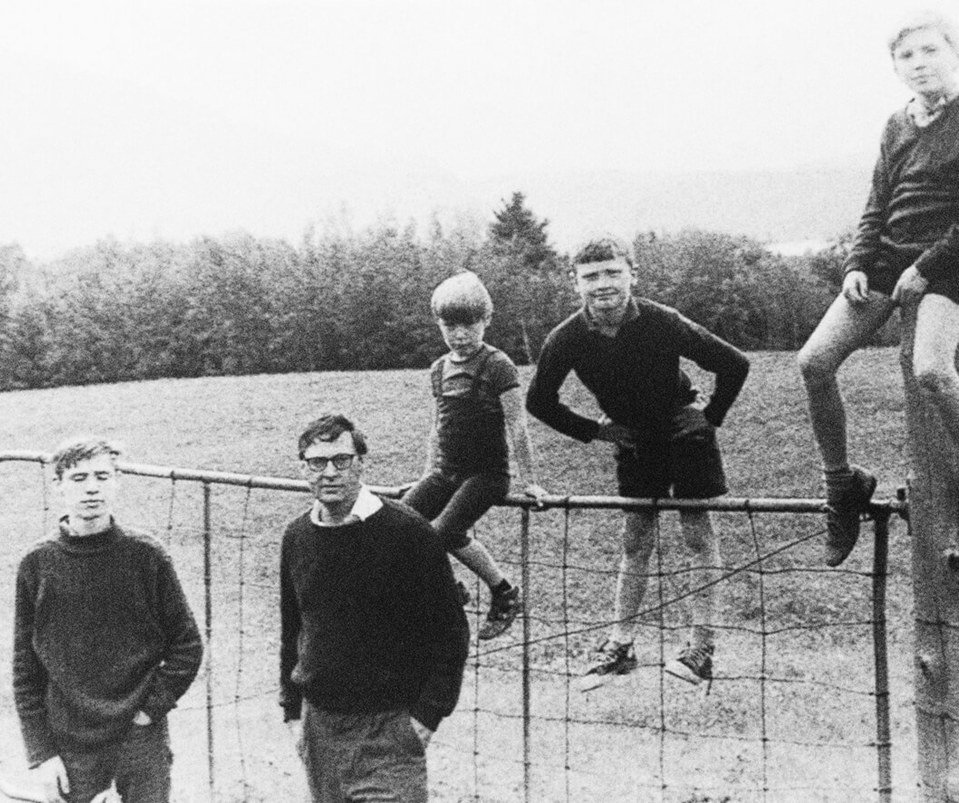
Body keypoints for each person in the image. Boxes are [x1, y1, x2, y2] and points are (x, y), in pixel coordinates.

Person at [796, 11, 959, 579]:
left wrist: (927, 265)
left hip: (955, 265)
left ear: (955, 54)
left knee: (932, 371)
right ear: (896, 67)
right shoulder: (896, 124)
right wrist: (856, 264)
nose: (919, 64)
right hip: (892, 261)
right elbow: (877, 204)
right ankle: (843, 486)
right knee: (814, 361)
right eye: (906, 56)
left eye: (929, 52)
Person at [526, 236, 750, 690]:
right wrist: (598, 430)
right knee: (635, 540)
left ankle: (701, 647)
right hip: (632, 438)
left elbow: (734, 363)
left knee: (696, 532)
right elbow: (538, 401)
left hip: (682, 430)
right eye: (591, 276)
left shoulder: (663, 321)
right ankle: (621, 645)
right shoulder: (565, 338)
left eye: (613, 272)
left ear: (633, 274)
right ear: (575, 284)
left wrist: (709, 417)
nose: (603, 284)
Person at [280, 414, 469, 802]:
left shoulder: (407, 532)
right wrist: (292, 713)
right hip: (321, 728)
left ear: (361, 463)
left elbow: (451, 631)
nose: (329, 472)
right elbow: (293, 628)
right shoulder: (297, 536)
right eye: (317, 462)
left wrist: (426, 717)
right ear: (304, 468)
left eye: (342, 460)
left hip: (390, 729)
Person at [13, 437, 203, 803]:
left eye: (102, 476)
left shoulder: (146, 556)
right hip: (70, 748)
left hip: (140, 742)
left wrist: (149, 710)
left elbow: (187, 645)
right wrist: (41, 754)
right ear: (58, 486)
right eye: (79, 478)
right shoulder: (37, 565)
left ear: (117, 480)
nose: (91, 488)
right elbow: (26, 670)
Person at [403, 271, 549, 641]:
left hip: (486, 475)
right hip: (446, 472)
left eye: (469, 324)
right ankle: (450, 588)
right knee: (399, 525)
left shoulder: (497, 365)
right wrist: (427, 474)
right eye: (450, 326)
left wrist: (530, 481)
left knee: (443, 533)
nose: (460, 335)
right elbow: (437, 427)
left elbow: (518, 426)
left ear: (486, 320)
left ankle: (504, 591)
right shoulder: (439, 369)